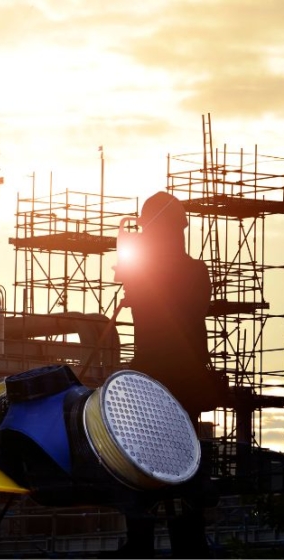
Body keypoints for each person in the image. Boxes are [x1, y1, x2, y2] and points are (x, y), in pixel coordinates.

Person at [115, 191, 222, 558]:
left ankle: (151, 541)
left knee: (147, 459)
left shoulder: (162, 272)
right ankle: (184, 541)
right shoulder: (193, 271)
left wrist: (129, 242)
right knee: (176, 461)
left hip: (159, 376)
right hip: (177, 378)